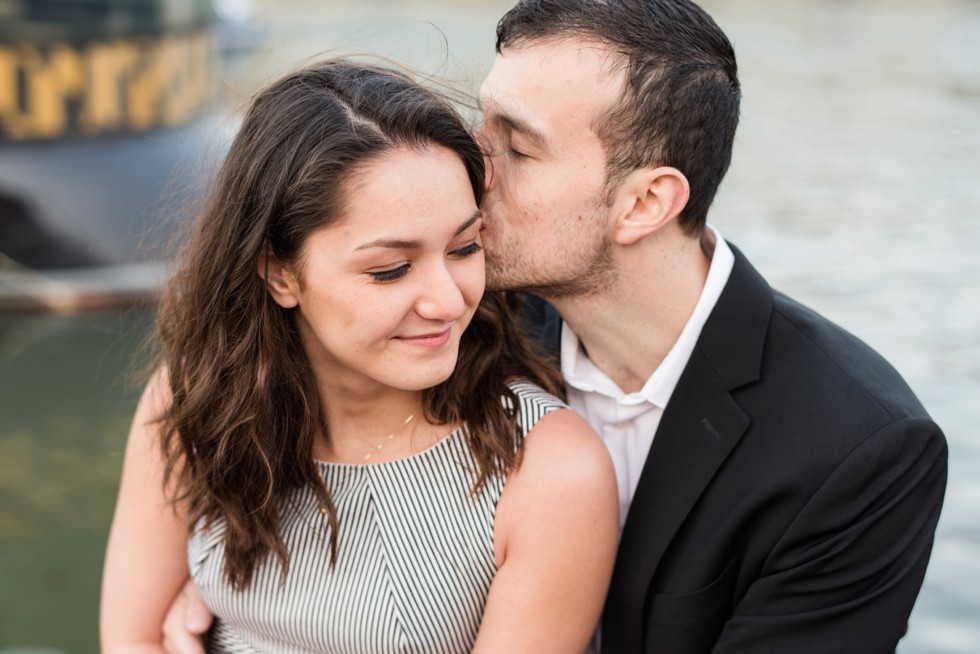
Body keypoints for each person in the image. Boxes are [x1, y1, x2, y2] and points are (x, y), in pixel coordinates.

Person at [163, 1, 949, 652]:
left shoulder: (858, 448)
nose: (473, 162)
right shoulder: (442, 318)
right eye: (484, 121)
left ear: (646, 203)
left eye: (518, 145)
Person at [100, 59, 618, 653]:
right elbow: (131, 637)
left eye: (464, 247)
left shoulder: (547, 471)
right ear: (279, 273)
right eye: (390, 270)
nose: (448, 302)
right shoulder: (196, 399)